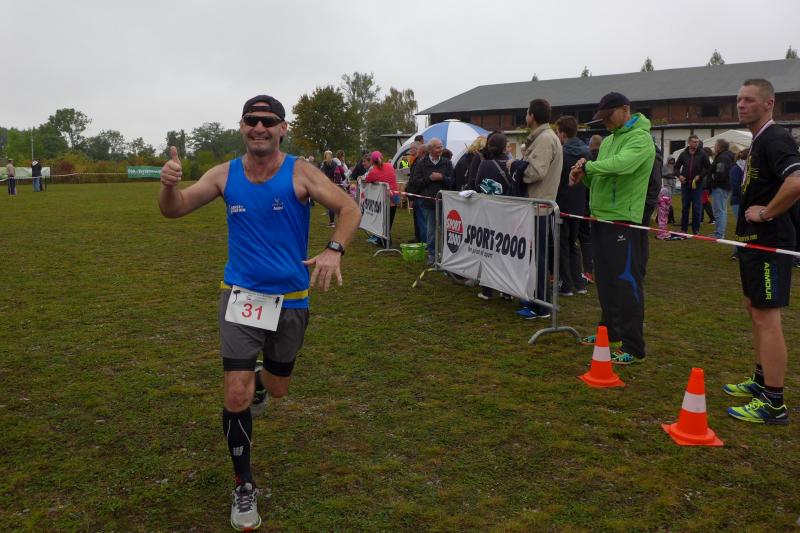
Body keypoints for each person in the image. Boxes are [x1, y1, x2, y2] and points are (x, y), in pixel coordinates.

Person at [158, 94, 360, 529]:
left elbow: (349, 207)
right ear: (242, 125)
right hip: (240, 296)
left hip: (291, 300)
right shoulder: (224, 174)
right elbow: (174, 209)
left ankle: (262, 386)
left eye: (269, 121)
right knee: (236, 393)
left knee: (278, 387)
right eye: (252, 120)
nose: (260, 127)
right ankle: (243, 484)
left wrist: (334, 249)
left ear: (283, 128)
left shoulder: (301, 172)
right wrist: (169, 185)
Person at [724, 78, 800, 425]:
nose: (741, 105)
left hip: (771, 241)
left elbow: (796, 181)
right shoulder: (757, 140)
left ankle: (774, 402)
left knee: (767, 317)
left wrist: (767, 212)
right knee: (754, 310)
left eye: (750, 100)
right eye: (739, 99)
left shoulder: (775, 137)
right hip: (753, 242)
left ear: (769, 103)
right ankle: (760, 380)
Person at [569, 91, 655, 364]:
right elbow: (600, 178)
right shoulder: (608, 141)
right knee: (605, 281)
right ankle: (609, 333)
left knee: (627, 282)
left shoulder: (641, 138)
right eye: (602, 117)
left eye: (609, 116)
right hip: (600, 218)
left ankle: (634, 345)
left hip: (624, 221)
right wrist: (583, 175)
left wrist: (590, 167)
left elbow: (623, 166)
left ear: (625, 109)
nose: (605, 122)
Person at [513, 98, 563, 319]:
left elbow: (536, 172)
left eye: (527, 112)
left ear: (532, 115)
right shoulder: (544, 137)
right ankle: (535, 299)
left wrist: (515, 167)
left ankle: (540, 305)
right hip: (536, 206)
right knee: (534, 257)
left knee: (538, 258)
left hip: (539, 208)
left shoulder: (545, 139)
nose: (526, 116)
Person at [471, 133, 514, 301]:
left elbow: (477, 184)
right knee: (506, 252)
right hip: (508, 213)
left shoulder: (485, 164)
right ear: (504, 148)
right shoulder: (512, 165)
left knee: (488, 251)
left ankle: (487, 290)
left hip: (488, 212)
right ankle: (507, 291)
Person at [554, 115, 589, 297]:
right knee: (573, 243)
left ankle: (566, 284)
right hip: (579, 205)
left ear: (562, 133)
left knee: (562, 245)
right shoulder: (586, 152)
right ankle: (579, 283)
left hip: (562, 204)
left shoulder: (561, 153)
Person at [407, 138, 453, 263]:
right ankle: (432, 254)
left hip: (444, 201)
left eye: (441, 146)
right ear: (431, 149)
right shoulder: (421, 163)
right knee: (431, 229)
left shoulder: (447, 163)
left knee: (444, 229)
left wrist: (442, 177)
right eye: (438, 147)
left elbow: (452, 181)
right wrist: (430, 178)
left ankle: (445, 255)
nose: (441, 149)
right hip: (428, 202)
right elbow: (416, 182)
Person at [675, 135, 710, 234]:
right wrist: (679, 176)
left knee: (696, 207)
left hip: (697, 185)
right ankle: (684, 229)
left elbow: (708, 168)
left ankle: (696, 229)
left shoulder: (702, 154)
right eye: (694, 142)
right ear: (689, 142)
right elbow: (676, 167)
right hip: (685, 184)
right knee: (685, 207)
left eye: (697, 142)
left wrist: (700, 176)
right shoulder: (683, 154)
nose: (696, 144)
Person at [364, 150, 399, 248]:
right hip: (394, 197)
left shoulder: (373, 171)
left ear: (372, 161)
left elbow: (367, 180)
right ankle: (384, 241)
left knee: (383, 223)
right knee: (388, 222)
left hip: (384, 200)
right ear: (382, 157)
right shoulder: (390, 166)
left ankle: (386, 242)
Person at [708, 139, 734, 238]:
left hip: (721, 186)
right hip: (725, 186)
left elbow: (720, 173)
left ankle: (719, 234)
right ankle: (718, 232)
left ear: (719, 147)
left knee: (719, 210)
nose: (714, 147)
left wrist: (713, 182)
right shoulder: (727, 156)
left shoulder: (722, 158)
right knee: (721, 210)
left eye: (715, 145)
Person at [320, 151, 339, 227]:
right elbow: (338, 174)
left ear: (325, 156)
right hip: (334, 184)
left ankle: (332, 222)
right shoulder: (335, 164)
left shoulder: (323, 165)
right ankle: (333, 221)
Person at [662, 156, 677, 224]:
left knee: (670, 199)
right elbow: (662, 174)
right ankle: (667, 216)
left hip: (673, 184)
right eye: (671, 160)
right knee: (667, 199)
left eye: (673, 160)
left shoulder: (674, 166)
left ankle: (669, 216)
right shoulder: (665, 166)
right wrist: (669, 174)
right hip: (667, 184)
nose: (672, 161)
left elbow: (676, 173)